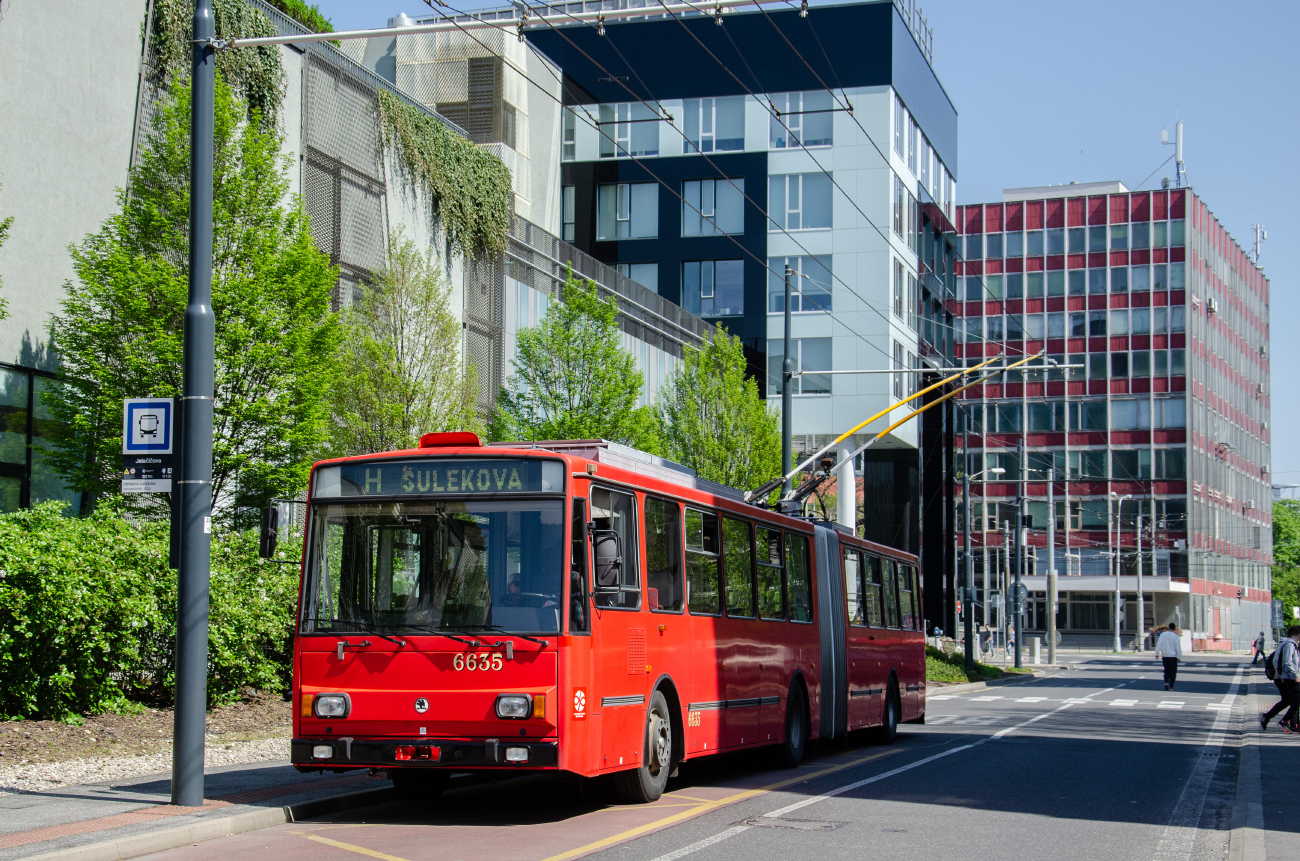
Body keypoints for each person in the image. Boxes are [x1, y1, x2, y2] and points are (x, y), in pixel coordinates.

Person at [1262, 626, 1300, 733]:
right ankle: (1286, 721)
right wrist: (1294, 674)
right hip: (1289, 677)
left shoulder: (1287, 644)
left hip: (1284, 676)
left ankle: (1268, 717)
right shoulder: (1289, 645)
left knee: (1290, 700)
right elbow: (1287, 662)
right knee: (1296, 699)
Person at [1155, 622, 1182, 690]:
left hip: (1165, 656)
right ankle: (1171, 686)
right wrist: (1179, 657)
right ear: (1174, 628)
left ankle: (1166, 682)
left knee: (1166, 670)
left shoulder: (1163, 635)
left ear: (1169, 627)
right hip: (1173, 657)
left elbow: (1159, 644)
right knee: (1173, 671)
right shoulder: (1175, 636)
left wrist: (1157, 653)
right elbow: (1178, 647)